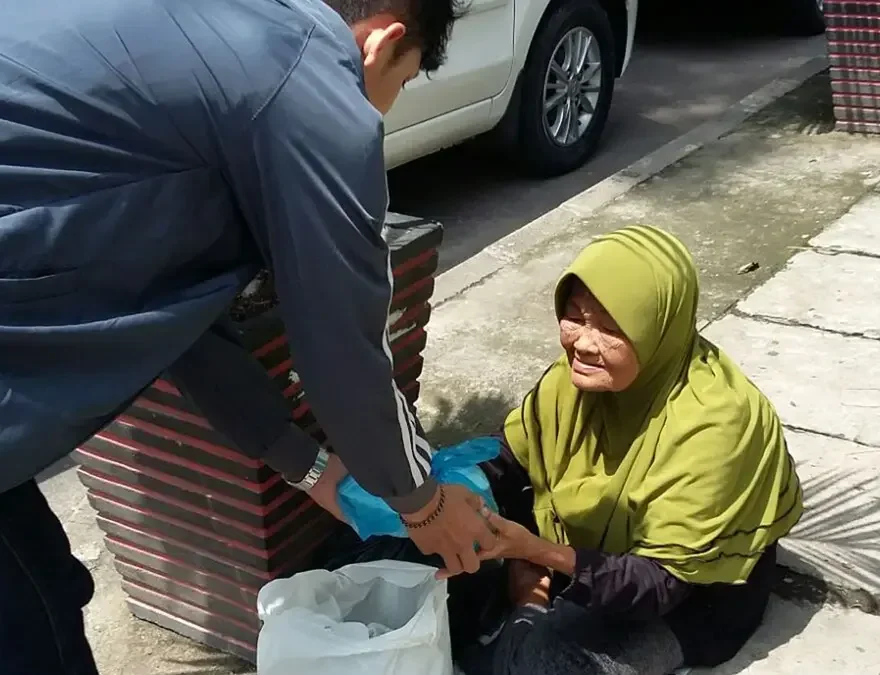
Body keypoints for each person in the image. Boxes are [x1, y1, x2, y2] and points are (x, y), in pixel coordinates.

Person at [0, 1, 496, 673]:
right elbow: (346, 343)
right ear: (382, 42)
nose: (381, 113)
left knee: (43, 582)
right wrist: (423, 500)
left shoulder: (206, 38)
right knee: (33, 631)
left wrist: (309, 466)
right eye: (400, 86)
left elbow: (168, 306)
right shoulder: (306, 77)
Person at [460, 225, 805, 674]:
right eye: (575, 316)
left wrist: (534, 578)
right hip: (584, 556)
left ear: (656, 330)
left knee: (537, 661)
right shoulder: (571, 383)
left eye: (609, 328)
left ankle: (526, 616)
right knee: (428, 565)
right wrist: (433, 491)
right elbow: (508, 456)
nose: (583, 342)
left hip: (688, 602)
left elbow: (659, 585)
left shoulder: (715, 425)